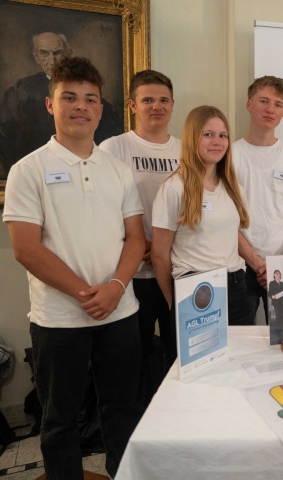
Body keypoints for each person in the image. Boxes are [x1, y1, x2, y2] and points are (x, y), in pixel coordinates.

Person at [2, 57, 145, 480]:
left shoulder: (119, 170)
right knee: (59, 419)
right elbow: (26, 249)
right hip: (59, 319)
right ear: (51, 104)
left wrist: (115, 288)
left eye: (90, 99)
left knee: (122, 410)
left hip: (120, 312)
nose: (81, 106)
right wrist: (88, 293)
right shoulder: (27, 170)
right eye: (70, 97)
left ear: (100, 109)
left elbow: (136, 238)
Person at [100, 70, 180, 382]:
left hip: (177, 268)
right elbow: (104, 208)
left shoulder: (186, 150)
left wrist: (162, 249)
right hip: (133, 272)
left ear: (172, 104)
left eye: (163, 100)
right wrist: (142, 246)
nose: (156, 106)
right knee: (136, 357)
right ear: (133, 106)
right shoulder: (114, 148)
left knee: (179, 354)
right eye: (147, 100)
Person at [151, 106, 253, 326]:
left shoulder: (233, 187)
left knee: (243, 348)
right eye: (208, 134)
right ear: (192, 138)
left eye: (223, 135)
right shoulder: (175, 188)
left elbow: (228, 235)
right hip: (196, 289)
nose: (217, 142)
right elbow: (159, 255)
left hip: (235, 285)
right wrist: (174, 302)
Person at [234, 76, 283, 322]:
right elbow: (224, 219)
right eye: (264, 101)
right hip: (240, 264)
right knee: (240, 338)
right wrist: (256, 263)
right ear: (249, 105)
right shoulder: (228, 157)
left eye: (278, 104)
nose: (271, 109)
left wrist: (280, 266)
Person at [0, 32, 122, 177]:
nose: (52, 60)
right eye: (44, 53)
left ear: (68, 53)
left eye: (57, 53)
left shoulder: (120, 171)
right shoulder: (19, 90)